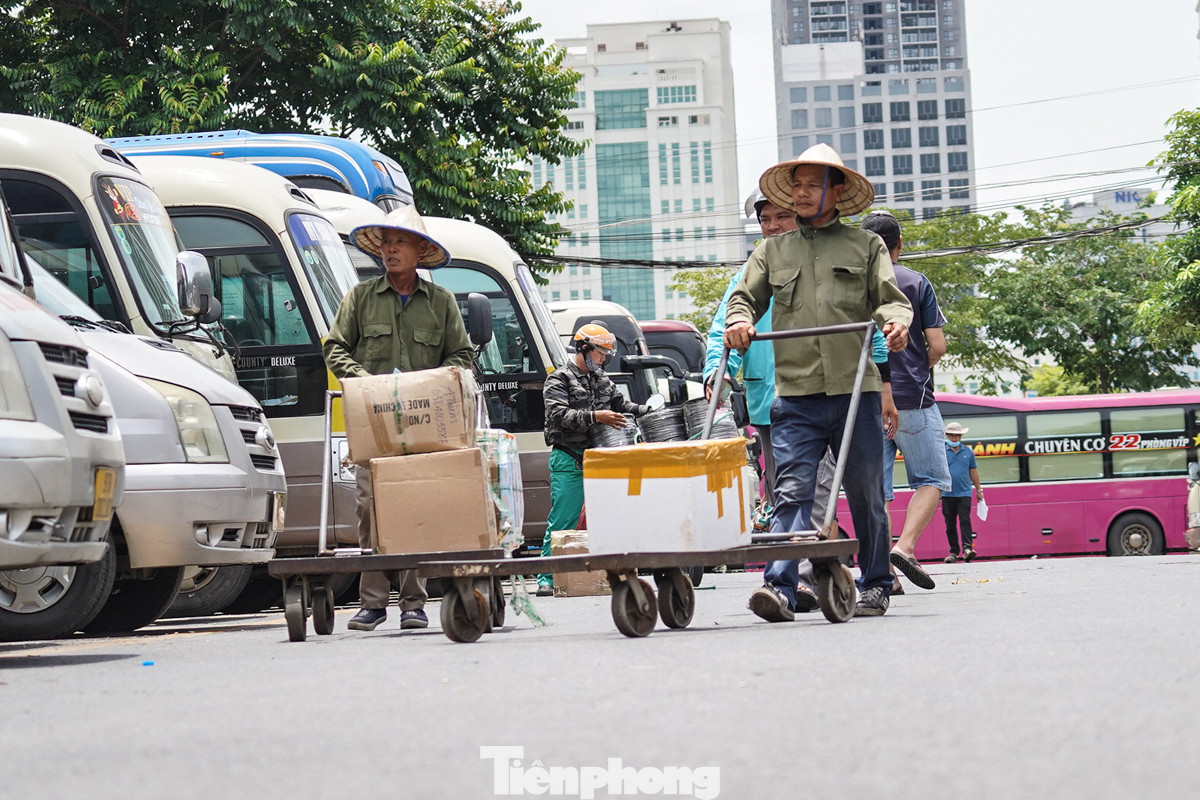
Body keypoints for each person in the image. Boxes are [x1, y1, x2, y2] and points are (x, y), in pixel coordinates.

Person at [724, 143, 912, 619]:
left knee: (867, 494)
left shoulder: (866, 246)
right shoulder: (771, 251)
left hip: (855, 393)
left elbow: (889, 299)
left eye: (813, 185)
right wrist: (740, 321)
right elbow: (743, 299)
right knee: (791, 492)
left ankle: (876, 583)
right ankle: (780, 588)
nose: (802, 193)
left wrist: (896, 323)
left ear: (837, 191)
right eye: (798, 185)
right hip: (796, 396)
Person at [323, 206, 474, 631]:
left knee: (415, 507)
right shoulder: (360, 297)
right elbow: (335, 347)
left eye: (400, 242)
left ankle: (413, 603)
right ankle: (372, 603)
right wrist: (365, 382)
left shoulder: (441, 302)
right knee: (370, 508)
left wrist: (430, 383)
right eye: (386, 242)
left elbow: (462, 356)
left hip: (424, 423)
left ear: (420, 251)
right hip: (373, 421)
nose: (391, 249)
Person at [859, 211, 951, 593]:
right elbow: (937, 346)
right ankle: (906, 547)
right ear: (899, 244)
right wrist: (914, 368)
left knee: (876, 491)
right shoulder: (916, 282)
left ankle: (885, 571)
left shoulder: (853, 286)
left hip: (864, 400)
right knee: (932, 479)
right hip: (913, 399)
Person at [538, 323, 657, 596]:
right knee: (563, 521)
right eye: (600, 353)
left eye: (605, 354)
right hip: (569, 459)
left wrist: (645, 410)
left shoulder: (601, 378)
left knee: (608, 518)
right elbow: (560, 415)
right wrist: (596, 417)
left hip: (599, 460)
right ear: (583, 348)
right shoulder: (559, 379)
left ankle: (610, 574)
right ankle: (547, 577)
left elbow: (620, 405)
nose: (603, 359)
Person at [702, 190, 798, 506]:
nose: (773, 226)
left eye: (783, 216)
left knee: (816, 485)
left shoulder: (821, 262)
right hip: (770, 399)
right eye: (765, 219)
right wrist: (717, 372)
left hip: (820, 394)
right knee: (779, 487)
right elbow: (724, 328)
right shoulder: (748, 274)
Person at [942, 421, 983, 562]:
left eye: (957, 435)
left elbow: (973, 471)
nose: (955, 438)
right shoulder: (941, 452)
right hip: (946, 494)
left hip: (964, 493)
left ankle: (967, 549)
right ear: (947, 436)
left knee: (965, 520)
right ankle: (953, 552)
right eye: (952, 435)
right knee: (950, 524)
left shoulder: (968, 452)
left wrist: (979, 490)